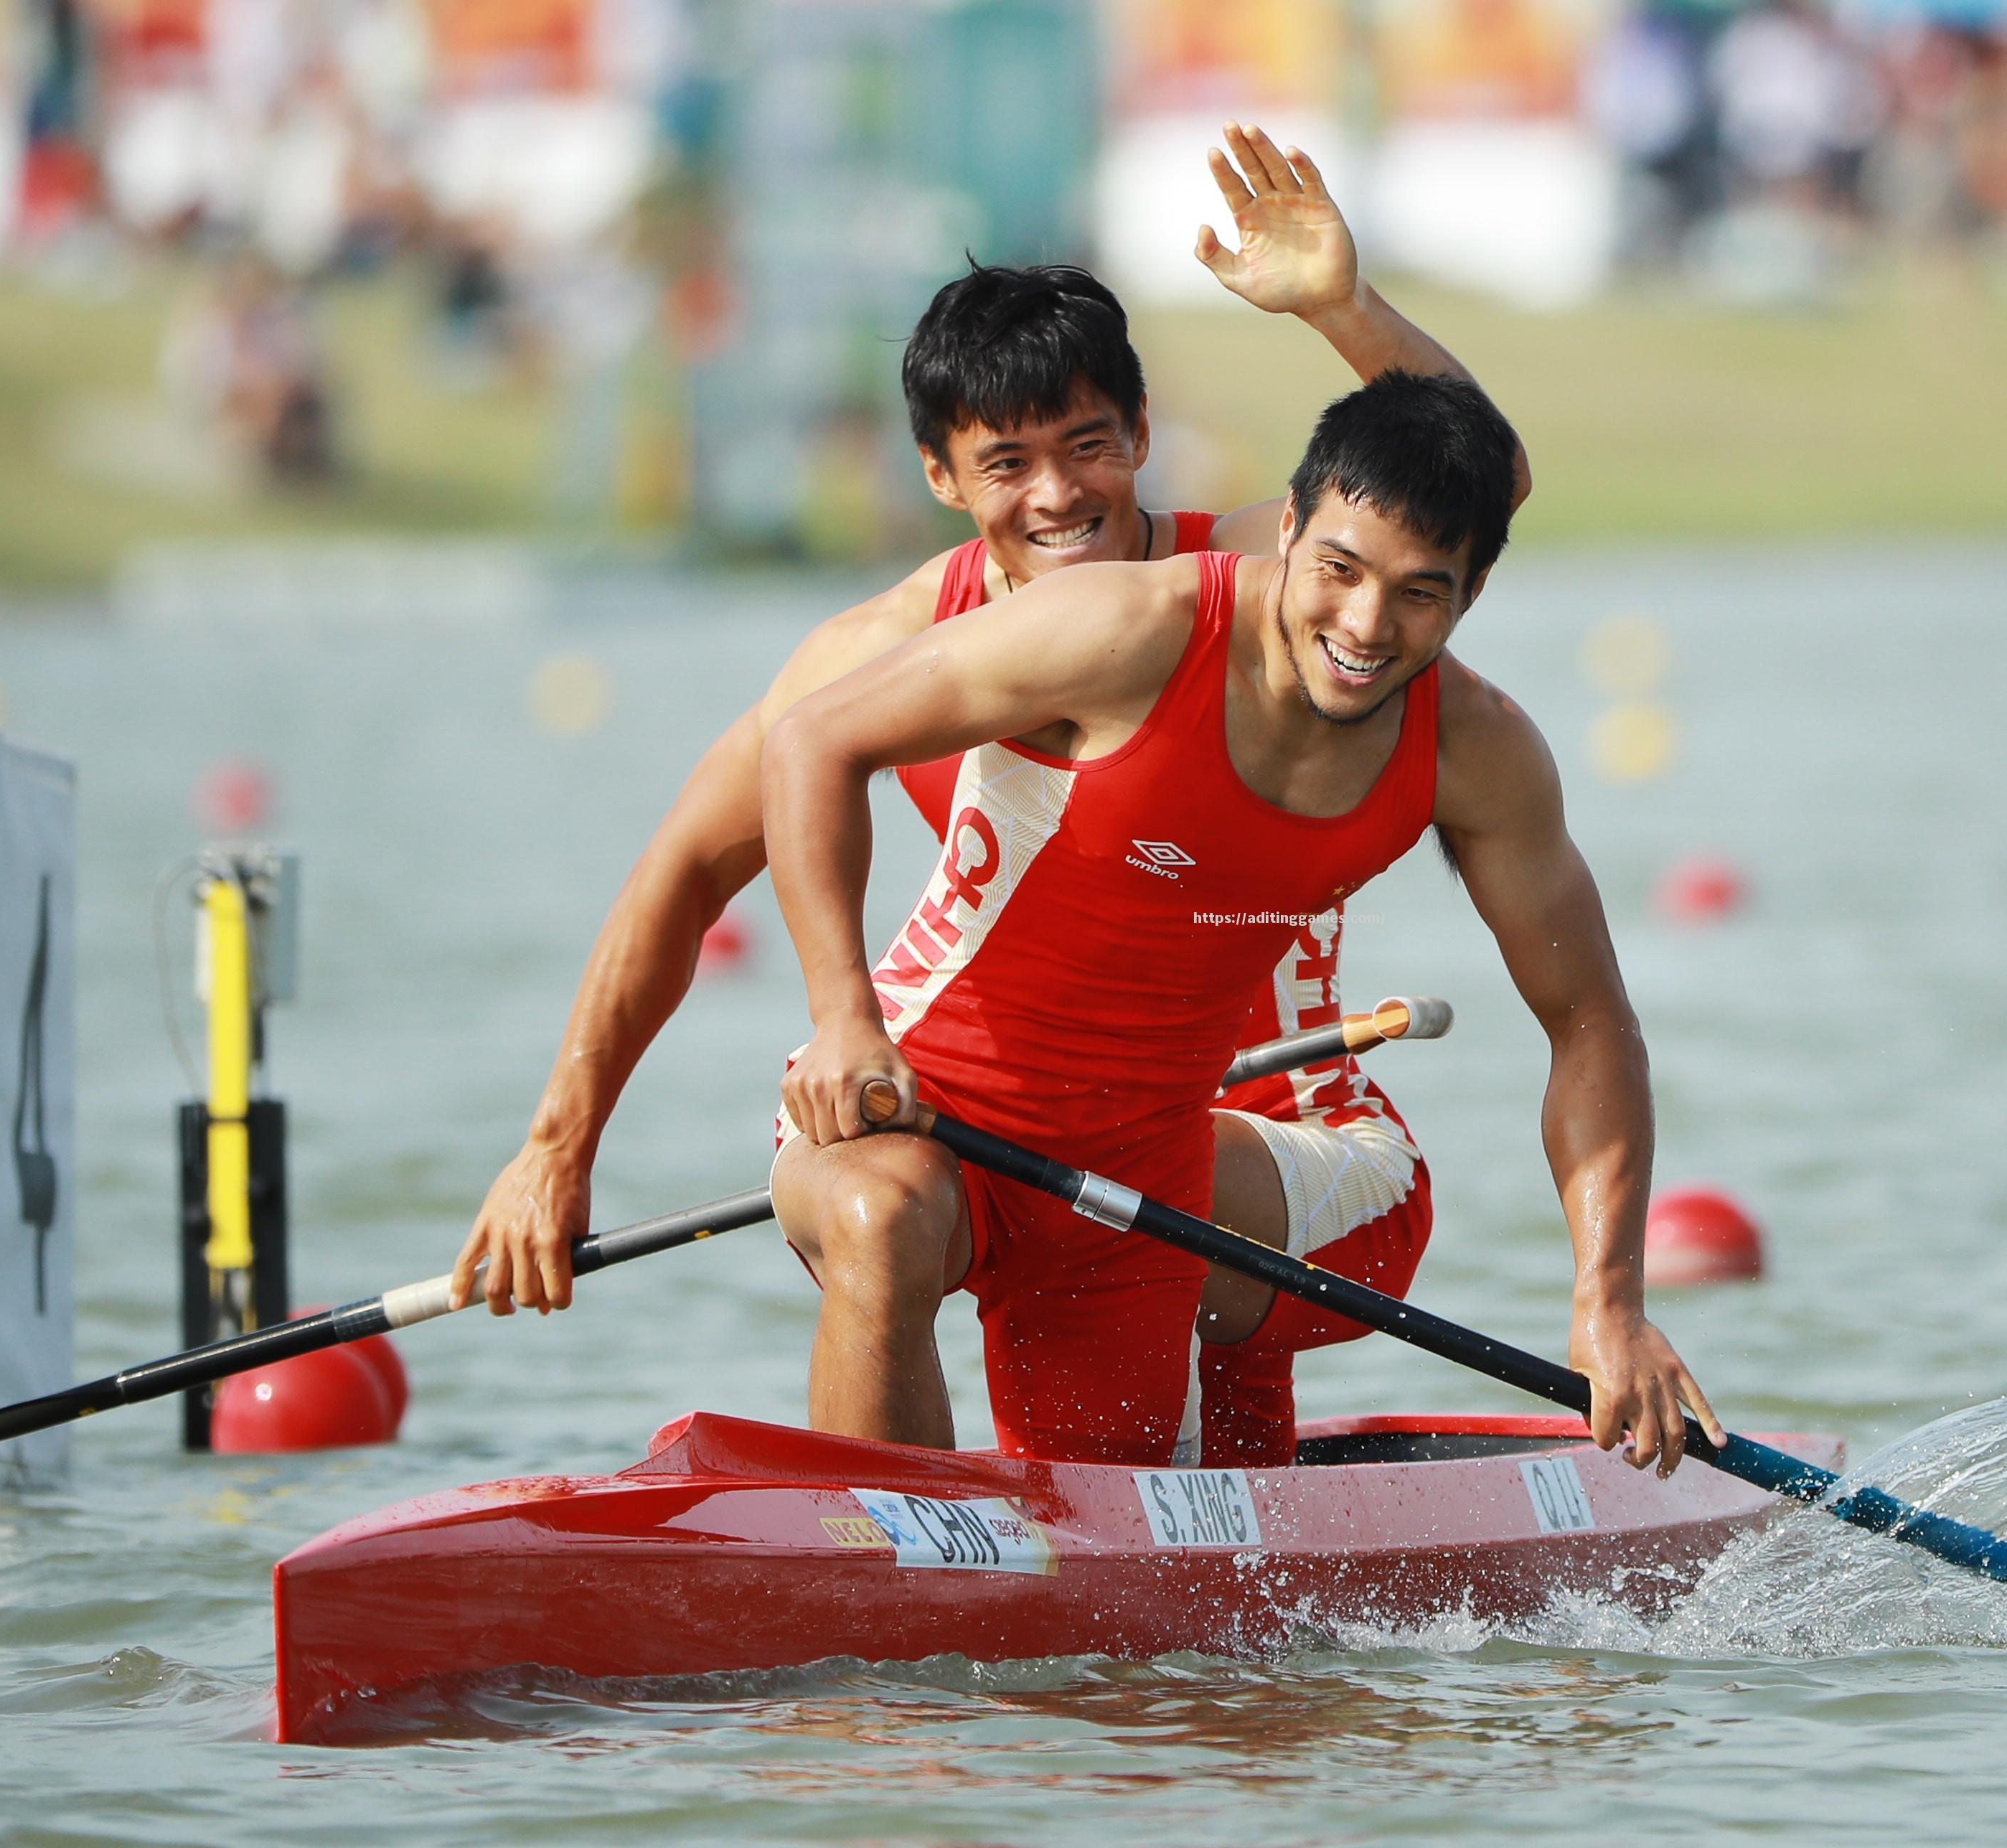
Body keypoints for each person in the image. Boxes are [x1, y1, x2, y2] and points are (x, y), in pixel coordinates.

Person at [451, 126, 1518, 1463]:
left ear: (1142, 434)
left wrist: (1341, 311)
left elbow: (1474, 483)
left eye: (1089, 446)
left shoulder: (1262, 580)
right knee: (888, 1220)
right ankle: (901, 1548)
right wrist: (556, 1149)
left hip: (1271, 1123)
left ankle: (1225, 1493)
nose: (1059, 496)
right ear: (941, 479)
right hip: (1013, 1129)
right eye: (1008, 464)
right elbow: (681, 873)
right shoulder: (879, 657)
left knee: (1156, 1452)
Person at [762, 370, 1722, 1476]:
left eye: (1421, 593)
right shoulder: (1126, 624)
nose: (1364, 627)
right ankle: (864, 1543)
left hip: (1134, 1179)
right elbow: (811, 741)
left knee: (1123, 1562)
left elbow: (1591, 1023)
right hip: (920, 1107)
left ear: (1473, 592)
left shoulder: (1480, 752)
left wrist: (1609, 1303)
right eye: (1339, 570)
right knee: (882, 1220)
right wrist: (843, 1022)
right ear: (1288, 525)